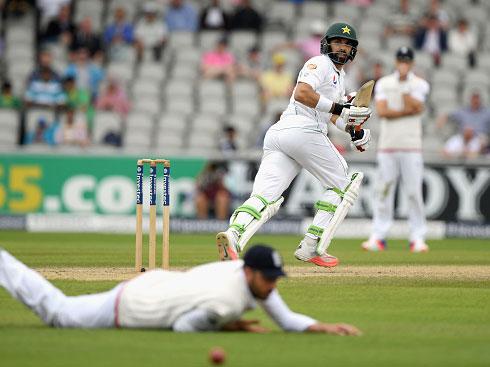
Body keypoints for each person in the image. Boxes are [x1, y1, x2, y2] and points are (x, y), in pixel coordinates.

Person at [215, 23, 372, 268]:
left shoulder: (339, 78)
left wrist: (354, 132)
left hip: (282, 134)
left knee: (266, 196)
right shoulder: (320, 63)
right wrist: (342, 108)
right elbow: (302, 94)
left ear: (353, 50)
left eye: (348, 44)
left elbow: (332, 116)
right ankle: (312, 245)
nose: (342, 48)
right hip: (302, 129)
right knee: (344, 183)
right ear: (326, 44)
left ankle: (233, 236)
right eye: (338, 42)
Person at [0, 244, 361, 335]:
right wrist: (227, 326)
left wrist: (323, 327)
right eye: (268, 278)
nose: (272, 285)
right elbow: (183, 327)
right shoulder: (224, 303)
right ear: (249, 271)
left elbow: (284, 319)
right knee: (59, 314)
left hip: (156, 281)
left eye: (275, 278)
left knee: (61, 309)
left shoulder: (244, 274)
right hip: (133, 305)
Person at [361, 47, 430, 253]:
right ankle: (378, 236)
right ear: (396, 60)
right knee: (384, 190)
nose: (403, 63)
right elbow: (382, 112)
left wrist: (404, 87)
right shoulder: (384, 83)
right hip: (388, 146)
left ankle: (417, 237)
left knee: (413, 192)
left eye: (406, 61)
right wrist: (406, 109)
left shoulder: (420, 84)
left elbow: (416, 107)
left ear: (412, 63)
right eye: (400, 60)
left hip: (411, 146)